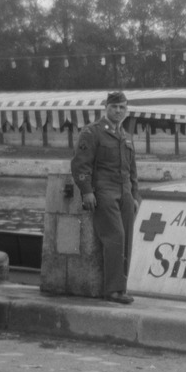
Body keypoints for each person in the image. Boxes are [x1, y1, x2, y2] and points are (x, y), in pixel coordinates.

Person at [70, 91, 140, 304]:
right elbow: (80, 164)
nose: (118, 111)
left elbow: (133, 170)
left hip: (125, 193)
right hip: (104, 192)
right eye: (114, 107)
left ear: (126, 111)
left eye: (122, 108)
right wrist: (87, 191)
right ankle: (113, 290)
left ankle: (122, 288)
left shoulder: (126, 137)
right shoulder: (92, 133)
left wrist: (135, 195)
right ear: (106, 108)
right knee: (115, 238)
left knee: (126, 239)